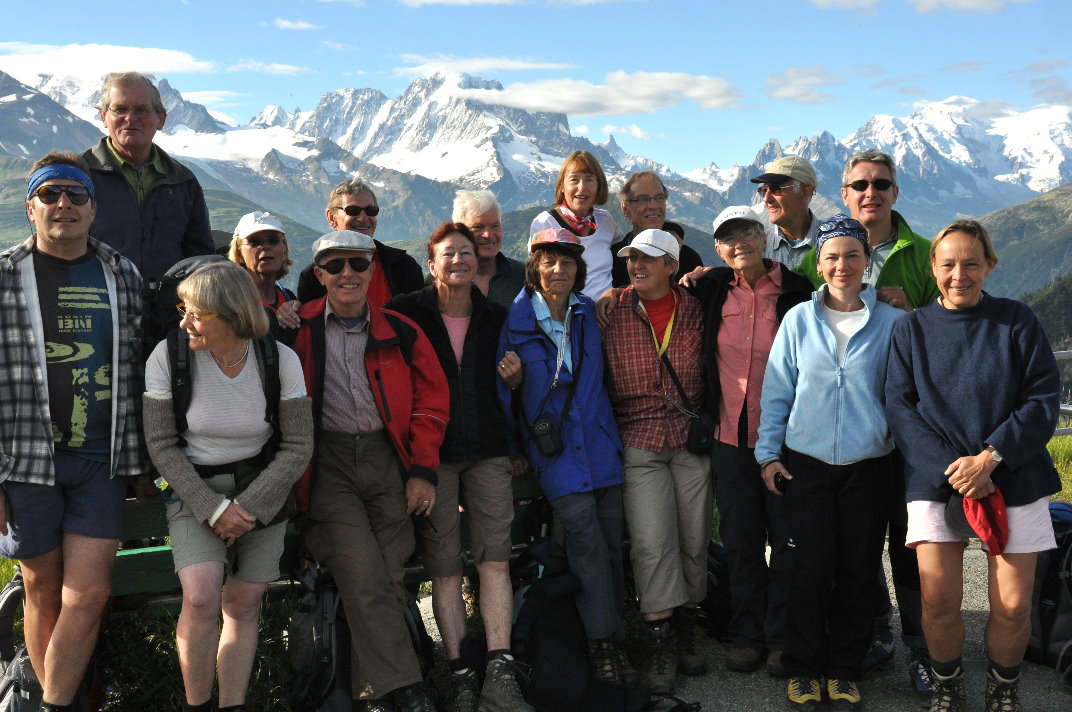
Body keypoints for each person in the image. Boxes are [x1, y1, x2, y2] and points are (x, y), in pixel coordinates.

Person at [885, 219, 1062, 712]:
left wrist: (990, 458)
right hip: (937, 478)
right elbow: (900, 408)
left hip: (1013, 472)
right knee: (938, 600)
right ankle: (948, 685)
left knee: (1013, 604)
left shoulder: (1017, 320)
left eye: (971, 264)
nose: (959, 275)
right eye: (948, 265)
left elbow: (1042, 399)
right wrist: (957, 470)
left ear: (989, 266)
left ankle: (1003, 689)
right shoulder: (910, 329)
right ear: (933, 268)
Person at [0, 151, 145, 712]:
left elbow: (138, 367)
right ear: (30, 207)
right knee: (41, 590)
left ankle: (51, 706)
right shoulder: (5, 275)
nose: (63, 204)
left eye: (76, 194)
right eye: (50, 194)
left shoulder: (121, 274)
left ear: (92, 208)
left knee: (88, 594)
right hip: (24, 459)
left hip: (101, 459)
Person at [795, 150, 938, 690]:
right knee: (860, 544)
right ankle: (873, 633)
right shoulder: (818, 257)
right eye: (860, 185)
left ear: (895, 192)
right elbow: (792, 308)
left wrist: (913, 316)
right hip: (856, 434)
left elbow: (955, 330)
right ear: (845, 193)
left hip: (914, 433)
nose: (870, 192)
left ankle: (923, 649)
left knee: (910, 543)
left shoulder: (924, 254)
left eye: (881, 184)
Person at [142, 261, 314, 712]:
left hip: (263, 489)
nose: (185, 322)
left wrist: (249, 508)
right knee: (200, 598)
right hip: (194, 488)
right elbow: (161, 445)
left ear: (233, 315)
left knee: (243, 603)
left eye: (196, 314)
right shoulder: (169, 357)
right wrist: (216, 510)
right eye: (182, 310)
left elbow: (298, 445)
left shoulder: (279, 359)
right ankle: (198, 705)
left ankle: (232, 705)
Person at [290, 230, 448, 712]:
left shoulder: (400, 329)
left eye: (358, 264)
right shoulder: (297, 328)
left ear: (372, 269)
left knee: (389, 571)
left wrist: (422, 470)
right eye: (334, 266)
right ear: (319, 275)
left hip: (388, 459)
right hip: (328, 464)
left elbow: (432, 401)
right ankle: (410, 688)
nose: (348, 274)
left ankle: (367, 695)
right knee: (362, 571)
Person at [755, 214, 904, 711]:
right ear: (818, 265)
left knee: (858, 570)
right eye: (833, 257)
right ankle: (803, 667)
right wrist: (767, 454)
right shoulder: (798, 319)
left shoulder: (893, 323)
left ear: (867, 262)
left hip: (869, 464)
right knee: (806, 569)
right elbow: (777, 390)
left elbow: (902, 395)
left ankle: (844, 669)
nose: (843, 265)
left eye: (853, 255)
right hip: (807, 463)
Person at [387, 222, 532, 712]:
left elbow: (513, 388)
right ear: (431, 264)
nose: (459, 260)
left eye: (466, 253)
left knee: (495, 559)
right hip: (433, 457)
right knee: (444, 565)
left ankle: (500, 666)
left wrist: (515, 382)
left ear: (477, 261)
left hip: (489, 449)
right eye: (448, 254)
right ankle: (460, 671)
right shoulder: (406, 313)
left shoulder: (496, 317)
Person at [497, 228, 636, 687]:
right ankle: (601, 645)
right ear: (534, 268)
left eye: (568, 262)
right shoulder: (516, 324)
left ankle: (615, 637)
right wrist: (515, 447)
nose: (559, 270)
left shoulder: (588, 314)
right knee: (586, 542)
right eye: (549, 262)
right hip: (555, 455)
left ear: (579, 269)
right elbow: (503, 397)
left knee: (610, 543)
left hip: (599, 444)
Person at [691, 206, 813, 677]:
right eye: (728, 237)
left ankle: (783, 637)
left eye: (746, 232)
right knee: (740, 542)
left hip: (785, 441)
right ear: (717, 249)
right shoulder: (711, 288)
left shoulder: (797, 291)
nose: (739, 242)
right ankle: (747, 634)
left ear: (763, 237)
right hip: (728, 438)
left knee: (786, 543)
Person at [603, 228, 711, 695]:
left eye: (648, 258)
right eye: (632, 258)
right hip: (639, 438)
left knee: (695, 538)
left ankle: (689, 626)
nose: (637, 265)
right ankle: (660, 638)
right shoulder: (612, 311)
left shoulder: (697, 308)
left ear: (672, 265)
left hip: (689, 438)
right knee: (651, 542)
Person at [82, 72, 213, 292]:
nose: (130, 118)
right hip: (99, 305)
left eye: (141, 110)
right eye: (120, 109)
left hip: (169, 309)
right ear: (104, 117)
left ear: (161, 119)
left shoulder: (183, 181)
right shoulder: (79, 176)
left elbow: (201, 258)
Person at [296, 178, 424, 304]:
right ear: (331, 217)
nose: (363, 218)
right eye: (353, 211)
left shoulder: (404, 266)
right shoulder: (311, 277)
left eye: (371, 211)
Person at [529, 151, 623, 298]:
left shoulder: (605, 220)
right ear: (562, 186)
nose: (582, 187)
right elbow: (535, 275)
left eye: (589, 180)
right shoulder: (545, 222)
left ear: (599, 186)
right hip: (567, 310)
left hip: (608, 310)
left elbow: (623, 257)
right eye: (574, 180)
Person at [609, 171, 702, 287]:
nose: (653, 206)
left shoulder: (687, 257)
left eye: (659, 198)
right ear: (625, 208)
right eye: (643, 199)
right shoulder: (612, 259)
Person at [227, 211, 301, 336]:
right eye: (254, 242)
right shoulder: (231, 303)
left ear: (284, 249)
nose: (265, 247)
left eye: (273, 240)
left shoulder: (289, 297)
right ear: (239, 254)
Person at [452, 190, 526, 309]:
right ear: (459, 232)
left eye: (495, 226)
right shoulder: (442, 279)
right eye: (478, 227)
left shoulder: (522, 276)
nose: (488, 234)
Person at [750, 156, 823, 269]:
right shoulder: (758, 247)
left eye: (776, 189)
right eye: (764, 190)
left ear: (805, 191)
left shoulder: (836, 241)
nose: (766, 199)